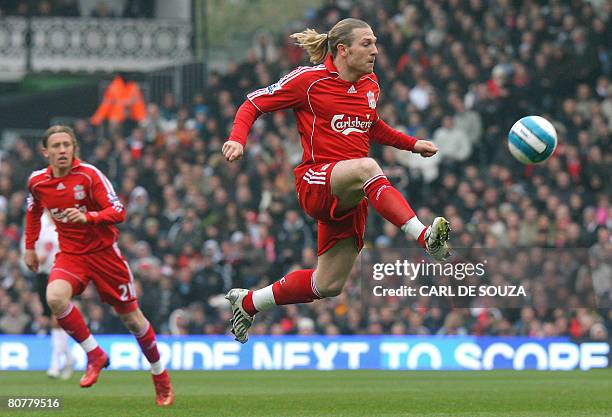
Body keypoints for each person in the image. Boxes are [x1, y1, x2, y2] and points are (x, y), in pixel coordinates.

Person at [223, 18, 451, 343]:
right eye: (367, 43)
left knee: (327, 285)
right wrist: (237, 139)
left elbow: (371, 126)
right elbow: (253, 103)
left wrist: (411, 144)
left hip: (350, 194)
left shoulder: (370, 84)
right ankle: (425, 237)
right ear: (343, 50)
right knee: (368, 167)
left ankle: (248, 302)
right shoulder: (308, 80)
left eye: (375, 42)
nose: (375, 50)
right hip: (316, 181)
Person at [23, 125, 173, 406]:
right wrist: (30, 247)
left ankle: (160, 376)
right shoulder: (37, 182)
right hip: (71, 255)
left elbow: (119, 211)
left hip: (105, 255)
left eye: (67, 145)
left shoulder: (90, 175)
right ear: (45, 152)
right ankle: (94, 353)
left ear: (74, 148)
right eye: (56, 146)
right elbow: (33, 212)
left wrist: (88, 217)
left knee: (133, 319)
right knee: (54, 297)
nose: (63, 150)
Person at [30, 210, 75, 379]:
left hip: (62, 273)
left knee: (57, 317)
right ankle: (69, 359)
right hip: (43, 274)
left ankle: (55, 364)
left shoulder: (66, 219)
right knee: (53, 319)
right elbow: (28, 246)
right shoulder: (38, 222)